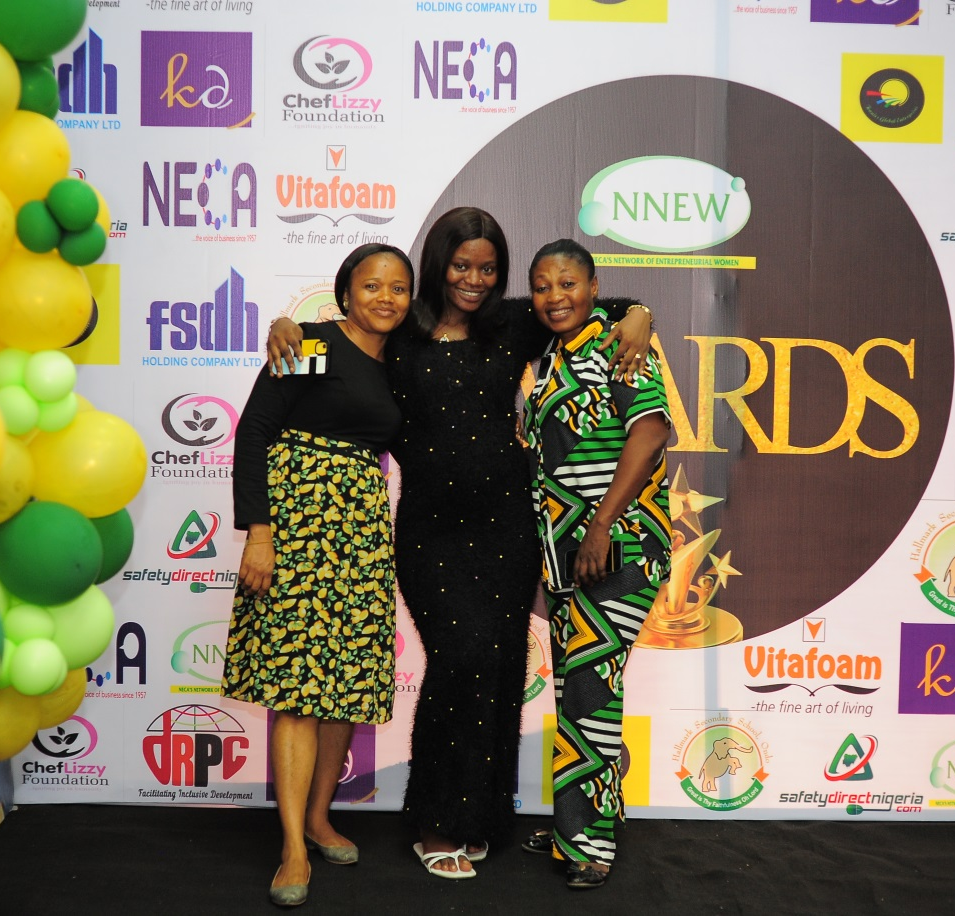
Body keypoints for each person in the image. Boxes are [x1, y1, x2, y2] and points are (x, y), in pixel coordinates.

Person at [267, 207, 654, 879]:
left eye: (488, 269)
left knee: (499, 668)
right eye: (461, 266)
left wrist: (641, 313)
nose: (474, 280)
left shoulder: (511, 324)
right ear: (438, 265)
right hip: (430, 529)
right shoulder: (401, 330)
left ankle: (481, 819)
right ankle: (434, 822)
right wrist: (284, 327)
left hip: (507, 524)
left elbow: (594, 303)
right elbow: (330, 348)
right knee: (459, 660)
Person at [221, 243, 415, 907]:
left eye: (398, 287)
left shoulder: (404, 365)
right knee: (297, 690)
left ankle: (318, 817)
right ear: (346, 293)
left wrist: (635, 311)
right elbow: (253, 433)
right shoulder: (311, 344)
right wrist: (260, 533)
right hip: (295, 527)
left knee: (347, 687)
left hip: (360, 533)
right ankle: (293, 848)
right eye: (372, 285)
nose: (385, 297)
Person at [520, 238, 672, 890]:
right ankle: (576, 822)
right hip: (569, 557)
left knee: (590, 694)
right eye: (542, 285)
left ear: (593, 287)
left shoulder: (619, 344)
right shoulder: (554, 355)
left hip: (617, 547)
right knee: (581, 692)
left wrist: (602, 523)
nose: (555, 296)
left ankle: (589, 845)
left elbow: (650, 430)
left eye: (568, 283)